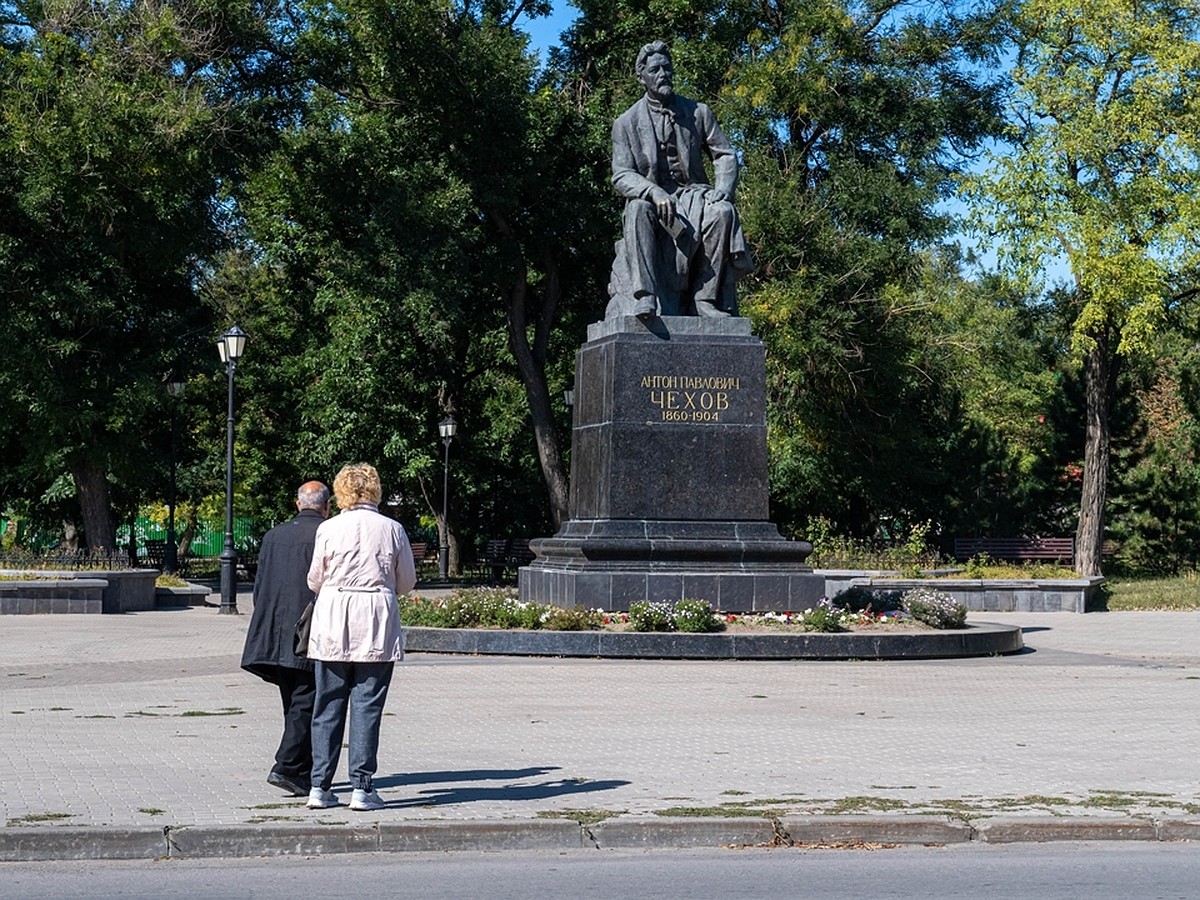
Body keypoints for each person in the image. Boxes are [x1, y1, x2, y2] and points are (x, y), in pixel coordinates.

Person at [607, 40, 754, 320]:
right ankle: (645, 296)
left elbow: (724, 154)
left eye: (666, 68)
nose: (663, 74)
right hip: (653, 199)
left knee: (723, 212)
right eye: (655, 70)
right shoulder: (625, 123)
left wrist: (723, 189)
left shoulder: (698, 112)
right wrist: (651, 191)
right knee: (637, 209)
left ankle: (705, 299)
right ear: (642, 76)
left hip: (693, 196)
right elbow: (622, 174)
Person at [304, 463, 416, 812]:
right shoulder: (392, 528)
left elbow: (314, 579)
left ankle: (319, 786)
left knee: (328, 703)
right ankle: (362, 788)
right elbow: (406, 581)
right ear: (375, 490)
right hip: (375, 620)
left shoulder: (329, 528)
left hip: (334, 616)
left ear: (340, 492)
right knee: (367, 705)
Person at [240, 480, 331, 797]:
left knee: (293, 701)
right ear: (326, 506)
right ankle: (287, 767)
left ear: (297, 504)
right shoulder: (327, 533)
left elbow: (259, 585)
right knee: (306, 700)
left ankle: (300, 773)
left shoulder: (273, 535)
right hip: (309, 630)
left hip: (273, 631)